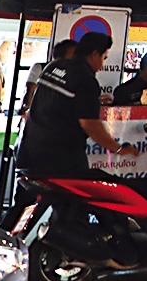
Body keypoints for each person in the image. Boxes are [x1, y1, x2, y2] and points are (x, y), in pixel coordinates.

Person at [18, 36, 115, 183]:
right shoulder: (84, 79)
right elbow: (90, 124)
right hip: (61, 158)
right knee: (71, 194)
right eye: (104, 58)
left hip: (31, 151)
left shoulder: (51, 69)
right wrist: (118, 148)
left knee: (30, 191)